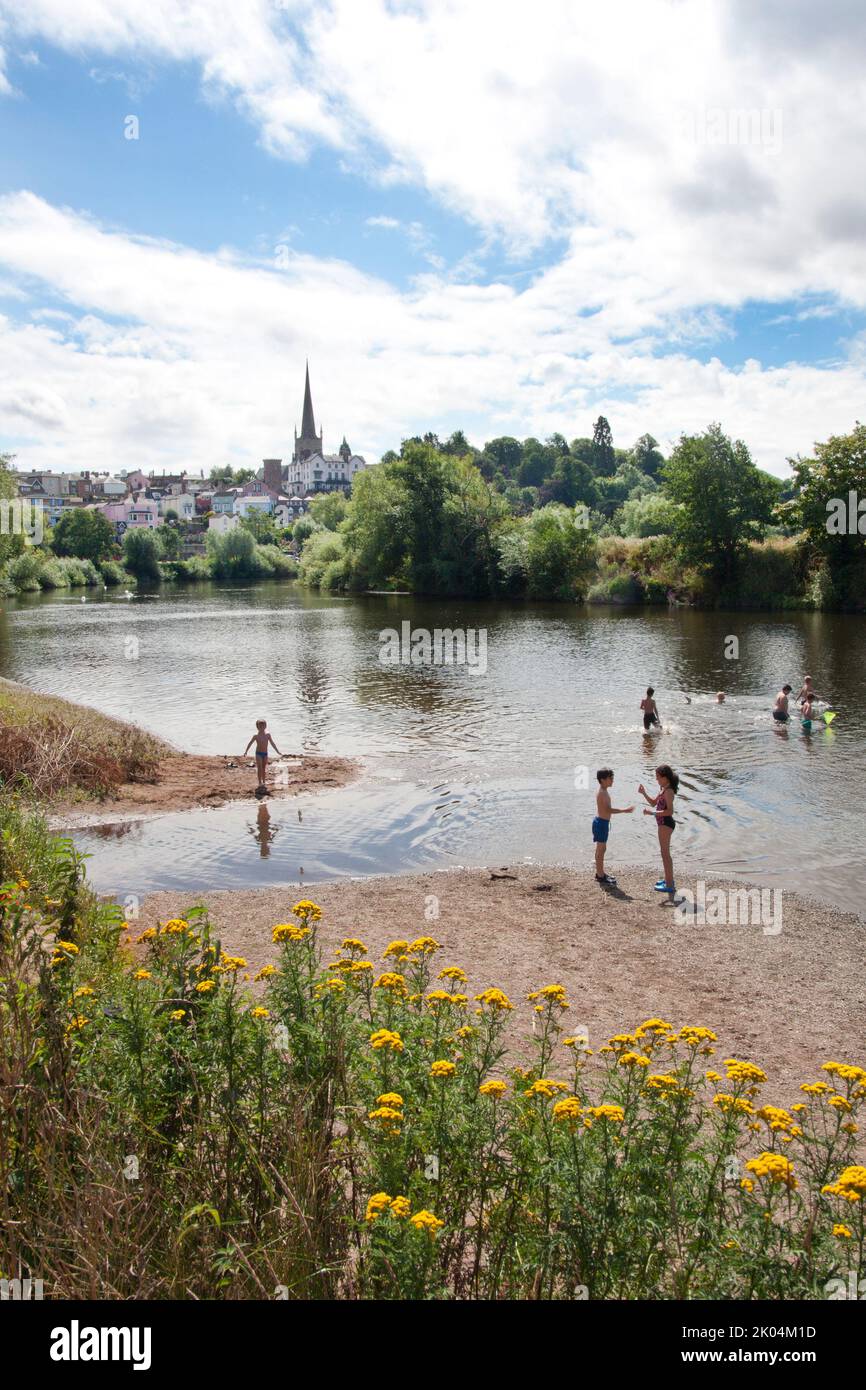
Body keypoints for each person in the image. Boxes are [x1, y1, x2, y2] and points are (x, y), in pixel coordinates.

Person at [638, 764, 678, 894]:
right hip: (662, 824)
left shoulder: (669, 791)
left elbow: (670, 811)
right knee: (664, 853)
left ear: (665, 777)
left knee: (665, 854)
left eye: (658, 777)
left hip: (666, 824)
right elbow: (653, 803)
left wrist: (652, 813)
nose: (657, 780)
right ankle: (668, 879)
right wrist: (643, 793)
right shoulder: (663, 789)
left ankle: (670, 884)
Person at [593, 768, 634, 886]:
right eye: (610, 778)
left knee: (601, 849)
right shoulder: (602, 793)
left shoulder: (603, 791)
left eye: (612, 778)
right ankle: (600, 875)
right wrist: (624, 810)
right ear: (602, 780)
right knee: (601, 850)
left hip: (602, 822)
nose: (612, 781)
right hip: (601, 823)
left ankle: (600, 873)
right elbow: (608, 809)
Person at [244, 718, 283, 789]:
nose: (262, 728)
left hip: (265, 753)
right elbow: (250, 743)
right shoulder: (255, 736)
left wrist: (277, 751)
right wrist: (246, 751)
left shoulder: (268, 735)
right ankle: (259, 782)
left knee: (264, 768)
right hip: (258, 753)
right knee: (259, 768)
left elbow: (272, 743)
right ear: (257, 727)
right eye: (260, 727)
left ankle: (264, 781)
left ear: (266, 726)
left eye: (263, 726)